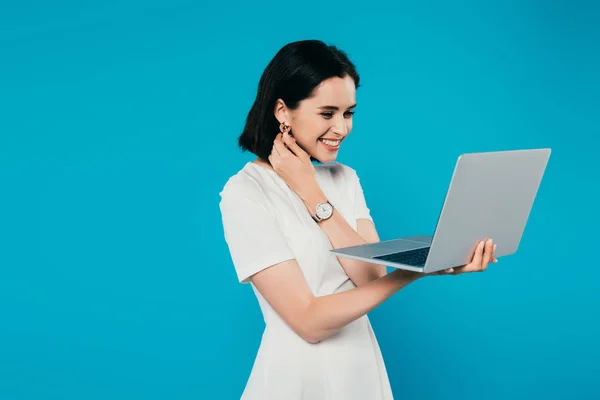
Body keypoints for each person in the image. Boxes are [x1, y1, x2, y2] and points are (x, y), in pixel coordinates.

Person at [218, 40, 497, 400]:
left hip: (361, 372)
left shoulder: (344, 179)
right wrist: (413, 271)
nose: (341, 128)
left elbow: (369, 275)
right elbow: (308, 322)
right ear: (283, 111)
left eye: (348, 113)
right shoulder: (246, 192)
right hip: (296, 380)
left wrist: (314, 196)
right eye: (327, 113)